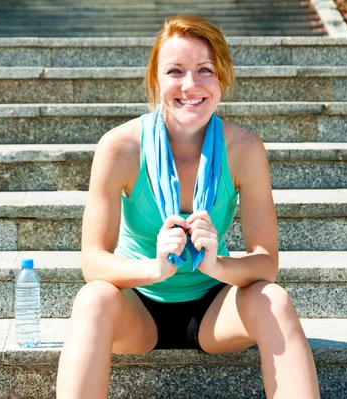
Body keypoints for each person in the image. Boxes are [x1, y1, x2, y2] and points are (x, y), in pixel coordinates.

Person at [56, 14, 320, 399]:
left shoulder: (244, 150)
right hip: (138, 307)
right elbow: (93, 262)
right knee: (92, 298)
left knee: (274, 299)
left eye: (205, 70)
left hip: (216, 308)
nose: (190, 85)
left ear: (222, 79)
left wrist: (216, 264)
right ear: (156, 80)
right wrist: (155, 268)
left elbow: (266, 262)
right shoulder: (120, 148)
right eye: (175, 71)